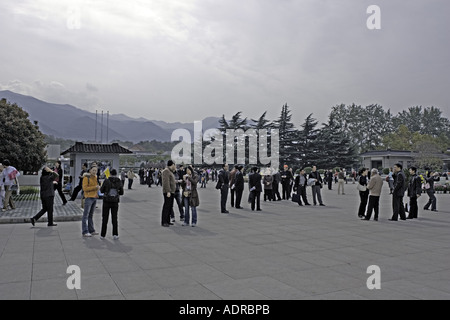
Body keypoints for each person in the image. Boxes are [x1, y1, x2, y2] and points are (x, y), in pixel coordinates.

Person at [100, 169, 124, 240]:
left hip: (106, 201)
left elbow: (101, 190)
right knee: (114, 218)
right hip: (115, 202)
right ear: (116, 174)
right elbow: (121, 192)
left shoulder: (106, 180)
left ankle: (103, 235)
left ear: (110, 173)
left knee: (105, 218)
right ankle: (115, 234)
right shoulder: (119, 181)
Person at [81, 165, 100, 237]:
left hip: (94, 197)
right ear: (90, 171)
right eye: (93, 170)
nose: (95, 172)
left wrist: (98, 187)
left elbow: (96, 186)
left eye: (96, 171)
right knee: (85, 215)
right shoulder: (86, 178)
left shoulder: (95, 177)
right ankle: (85, 231)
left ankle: (91, 230)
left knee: (91, 215)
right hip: (88, 197)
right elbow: (85, 188)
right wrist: (94, 187)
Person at [161, 160, 176, 227]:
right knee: (166, 207)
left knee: (170, 207)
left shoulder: (170, 171)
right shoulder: (166, 171)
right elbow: (166, 182)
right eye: (174, 165)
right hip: (168, 192)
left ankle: (167, 220)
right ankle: (164, 221)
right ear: (172, 165)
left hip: (171, 191)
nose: (175, 167)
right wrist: (168, 191)